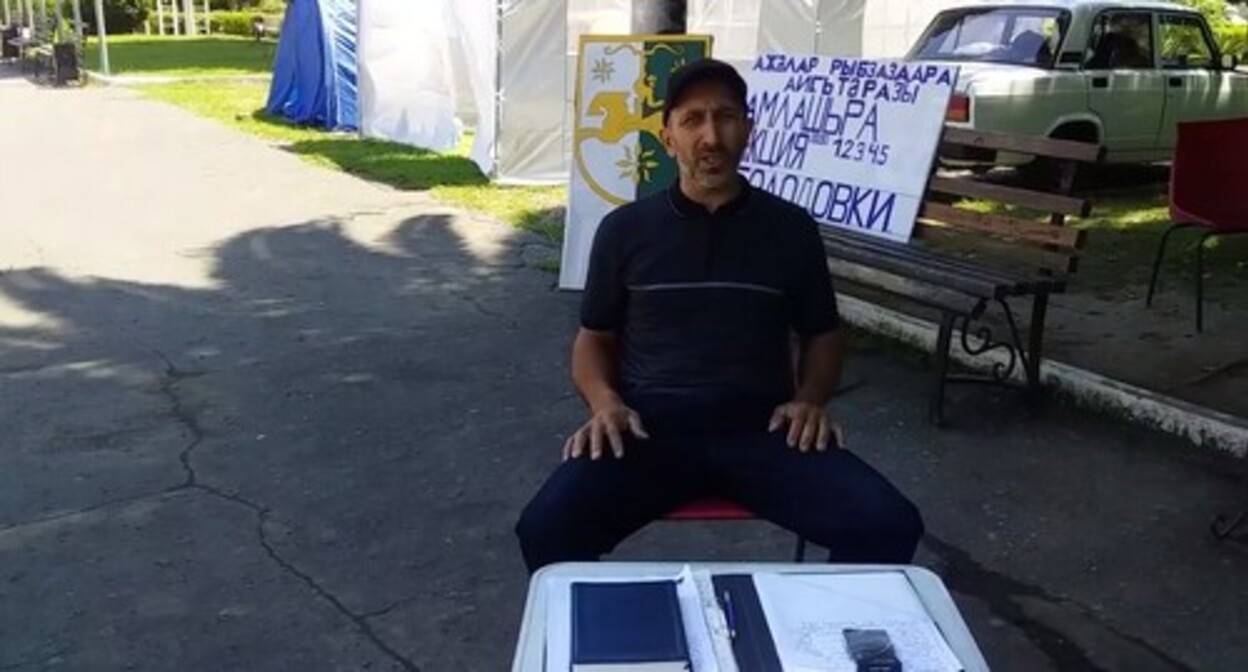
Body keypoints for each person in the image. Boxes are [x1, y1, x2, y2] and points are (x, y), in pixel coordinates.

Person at [514, 59, 924, 573]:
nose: (712, 136)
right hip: (649, 432)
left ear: (748, 129)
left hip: (762, 432)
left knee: (888, 523)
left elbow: (823, 334)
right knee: (546, 529)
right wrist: (604, 404)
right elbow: (594, 338)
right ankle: (617, 642)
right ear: (668, 138)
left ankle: (809, 637)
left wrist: (810, 399)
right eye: (693, 120)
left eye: (727, 117)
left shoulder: (790, 229)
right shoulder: (624, 231)